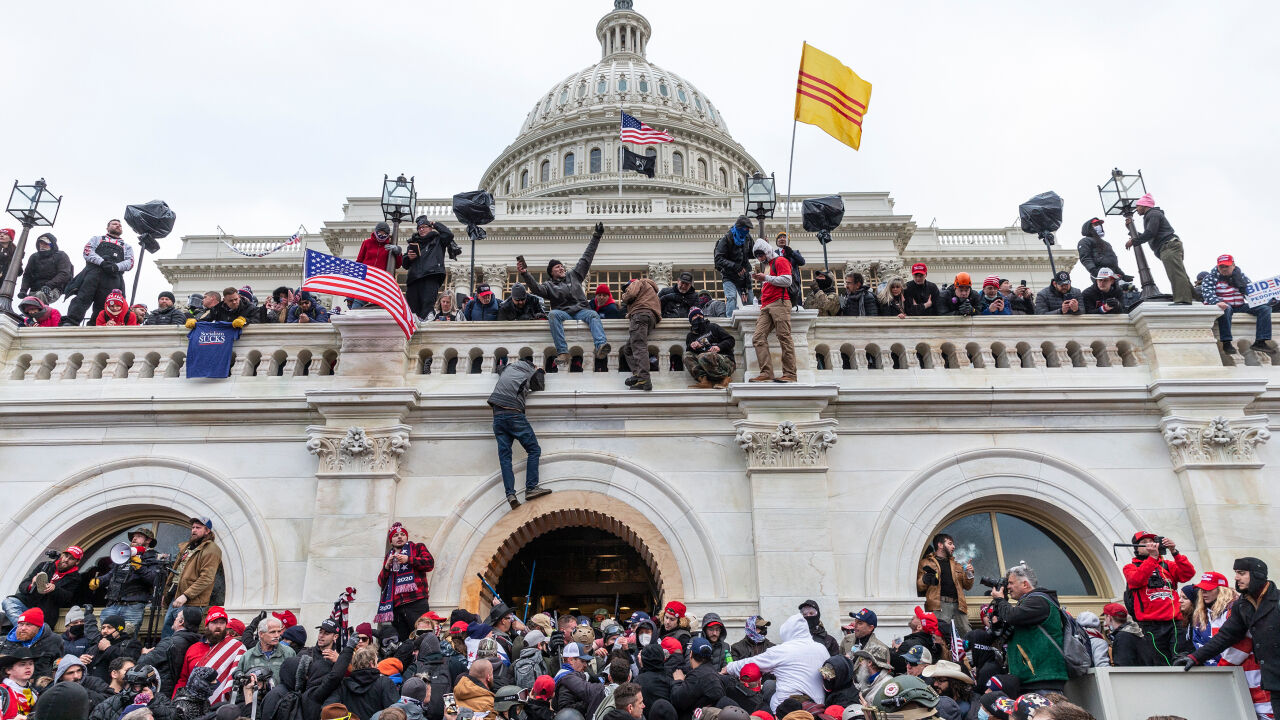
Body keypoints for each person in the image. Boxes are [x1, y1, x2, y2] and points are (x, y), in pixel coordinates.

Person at [1179, 558, 1280, 713]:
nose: (1236, 578)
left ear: (1257, 575)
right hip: (1273, 682)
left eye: (1241, 573)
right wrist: (1195, 657)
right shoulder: (1243, 604)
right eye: (1236, 573)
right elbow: (1226, 636)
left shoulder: (1277, 600)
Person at [518, 223, 610, 367]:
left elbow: (587, 257)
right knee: (553, 314)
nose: (561, 268)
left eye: (561, 266)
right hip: (564, 313)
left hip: (581, 311)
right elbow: (536, 289)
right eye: (557, 267)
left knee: (593, 315)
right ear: (551, 272)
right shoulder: (549, 286)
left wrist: (596, 236)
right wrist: (525, 274)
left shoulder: (574, 275)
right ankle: (562, 351)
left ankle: (601, 345)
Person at [723, 614, 828, 714]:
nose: (763, 631)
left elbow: (751, 664)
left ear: (787, 631)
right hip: (818, 705)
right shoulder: (821, 648)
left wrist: (728, 668)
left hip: (786, 708)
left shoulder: (782, 650)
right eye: (760, 627)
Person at [989, 563, 1066, 694]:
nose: (1007, 587)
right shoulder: (1026, 604)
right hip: (1030, 679)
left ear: (1025, 584)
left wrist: (1001, 600)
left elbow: (1012, 616)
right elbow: (1002, 632)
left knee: (1046, 714)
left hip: (1043, 679)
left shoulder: (1039, 600)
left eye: (1011, 583)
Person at [1122, 531, 1195, 666]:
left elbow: (1188, 574)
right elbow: (1136, 580)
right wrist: (1152, 558)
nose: (1149, 544)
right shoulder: (1130, 567)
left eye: (1151, 541)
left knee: (1181, 658)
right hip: (1151, 625)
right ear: (1136, 548)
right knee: (1162, 661)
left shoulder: (1167, 565)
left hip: (1174, 622)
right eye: (1144, 543)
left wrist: (1174, 551)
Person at [487, 357, 551, 508]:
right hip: (514, 413)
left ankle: (510, 494)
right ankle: (531, 488)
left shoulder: (508, 368)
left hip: (497, 415)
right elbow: (539, 386)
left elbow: (499, 369)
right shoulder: (529, 370)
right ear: (531, 365)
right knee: (534, 449)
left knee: (505, 457)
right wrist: (540, 371)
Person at [62, 219, 136, 326]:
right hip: (93, 274)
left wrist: (116, 266)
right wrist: (102, 262)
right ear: (107, 227)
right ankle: (71, 321)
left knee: (105, 303)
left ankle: (96, 324)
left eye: (120, 225)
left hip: (113, 277)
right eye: (114, 224)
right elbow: (87, 251)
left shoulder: (126, 246)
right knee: (82, 298)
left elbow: (130, 262)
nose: (118, 226)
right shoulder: (97, 239)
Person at [1125, 194, 1195, 304]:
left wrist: (1133, 241)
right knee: (1179, 273)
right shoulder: (1153, 215)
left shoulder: (1152, 214)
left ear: (1144, 205)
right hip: (1169, 246)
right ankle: (1194, 298)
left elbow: (1150, 233)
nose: (1136, 209)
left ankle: (1183, 300)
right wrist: (1131, 229)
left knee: (1176, 273)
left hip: (1168, 246)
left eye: (1137, 206)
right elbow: (1151, 235)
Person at [161, 518, 222, 640]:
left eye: (198, 528)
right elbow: (176, 573)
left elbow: (206, 578)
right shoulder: (187, 547)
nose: (194, 530)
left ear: (207, 531)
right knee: (167, 635)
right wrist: (166, 593)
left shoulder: (211, 549)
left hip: (192, 602)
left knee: (182, 638)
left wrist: (186, 596)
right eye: (193, 527)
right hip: (175, 597)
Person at [376, 523, 437, 642]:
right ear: (391, 541)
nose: (399, 537)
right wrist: (387, 567)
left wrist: (409, 559)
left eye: (402, 534)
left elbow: (429, 563)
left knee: (422, 637)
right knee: (404, 641)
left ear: (406, 537)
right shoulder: (389, 556)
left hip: (416, 602)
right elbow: (381, 583)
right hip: (397, 607)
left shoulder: (417, 548)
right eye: (396, 535)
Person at [1202, 254, 1272, 353]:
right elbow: (1207, 293)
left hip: (1240, 305)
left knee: (1265, 308)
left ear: (1233, 265)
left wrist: (1266, 300)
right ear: (1218, 267)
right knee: (1226, 309)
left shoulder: (1242, 277)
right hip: (1223, 306)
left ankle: (1260, 342)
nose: (1224, 269)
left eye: (1227, 266)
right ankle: (1226, 343)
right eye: (1221, 266)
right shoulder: (1210, 278)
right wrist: (1217, 302)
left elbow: (1251, 294)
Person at [97, 526, 163, 632]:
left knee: (127, 637)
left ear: (148, 540)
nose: (134, 538)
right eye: (133, 536)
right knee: (106, 635)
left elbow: (154, 579)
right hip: (113, 604)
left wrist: (140, 567)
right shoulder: (124, 554)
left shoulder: (153, 557)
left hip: (133, 606)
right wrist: (99, 580)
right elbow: (112, 574)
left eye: (139, 536)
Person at [748, 239, 796, 384]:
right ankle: (766, 373)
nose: (759, 258)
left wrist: (765, 278)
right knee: (758, 337)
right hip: (767, 305)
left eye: (761, 254)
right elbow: (773, 280)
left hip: (779, 302)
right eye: (757, 256)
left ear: (767, 251)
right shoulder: (769, 265)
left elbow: (787, 280)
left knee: (784, 337)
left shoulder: (780, 261)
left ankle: (790, 374)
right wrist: (763, 278)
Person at [4, 546, 83, 631]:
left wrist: (55, 589)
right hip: (28, 602)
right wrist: (32, 584)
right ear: (62, 556)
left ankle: (27, 631)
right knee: (8, 601)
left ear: (77, 562)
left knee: (41, 626)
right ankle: (24, 630)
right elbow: (23, 585)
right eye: (65, 556)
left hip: (45, 611)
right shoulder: (45, 565)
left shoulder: (75, 578)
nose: (66, 560)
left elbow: (67, 598)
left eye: (71, 559)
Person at [403, 215, 460, 320]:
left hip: (431, 275)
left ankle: (426, 323)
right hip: (414, 278)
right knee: (412, 308)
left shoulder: (438, 239)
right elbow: (404, 264)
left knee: (427, 305)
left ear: (430, 228)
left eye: (424, 227)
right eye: (419, 228)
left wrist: (435, 224)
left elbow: (448, 234)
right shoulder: (413, 243)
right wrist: (408, 257)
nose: (422, 229)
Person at [917, 534, 974, 635]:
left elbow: (967, 586)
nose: (954, 547)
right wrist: (925, 579)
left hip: (958, 605)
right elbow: (919, 586)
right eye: (950, 543)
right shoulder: (925, 563)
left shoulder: (957, 564)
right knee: (939, 636)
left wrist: (969, 573)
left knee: (966, 635)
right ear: (940, 545)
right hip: (939, 605)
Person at [327, 645, 400, 720]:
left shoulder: (343, 684)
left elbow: (329, 709)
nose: (378, 665)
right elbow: (395, 714)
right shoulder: (384, 682)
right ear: (372, 664)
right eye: (376, 662)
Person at [621, 277, 662, 392]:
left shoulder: (638, 282)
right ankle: (639, 376)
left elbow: (631, 294)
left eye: (626, 288)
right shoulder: (651, 290)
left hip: (640, 315)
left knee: (639, 346)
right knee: (628, 349)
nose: (626, 290)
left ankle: (644, 378)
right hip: (649, 318)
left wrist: (624, 297)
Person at [1187, 571, 1236, 664]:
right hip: (1213, 671)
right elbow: (1198, 643)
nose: (1204, 593)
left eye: (1208, 589)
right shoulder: (1200, 615)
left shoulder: (1234, 610)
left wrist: (1223, 667)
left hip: (1239, 669)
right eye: (1202, 589)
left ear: (1222, 590)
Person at [670, 638, 723, 719]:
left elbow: (677, 700)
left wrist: (678, 681)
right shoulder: (713, 671)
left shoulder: (697, 677)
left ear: (691, 654)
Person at [684, 308, 735, 389]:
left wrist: (719, 347)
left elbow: (731, 340)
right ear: (691, 320)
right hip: (706, 366)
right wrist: (693, 346)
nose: (698, 317)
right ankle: (704, 381)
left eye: (700, 315)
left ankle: (725, 379)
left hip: (725, 362)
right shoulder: (690, 336)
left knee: (704, 356)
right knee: (687, 356)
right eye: (695, 315)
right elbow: (690, 355)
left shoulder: (713, 327)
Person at [714, 217, 755, 318]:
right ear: (740, 227)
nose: (747, 231)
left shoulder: (747, 238)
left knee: (749, 299)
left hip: (743, 276)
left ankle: (751, 321)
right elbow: (718, 258)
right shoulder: (726, 239)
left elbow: (753, 253)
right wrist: (735, 266)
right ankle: (730, 321)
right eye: (746, 228)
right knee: (731, 297)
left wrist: (761, 246)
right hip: (729, 275)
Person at [18, 233, 73, 305]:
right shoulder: (34, 257)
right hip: (35, 289)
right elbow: (27, 275)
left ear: (52, 245)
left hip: (54, 288)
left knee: (40, 297)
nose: (42, 245)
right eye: (41, 243)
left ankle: (42, 314)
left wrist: (48, 285)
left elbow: (64, 274)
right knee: (26, 305)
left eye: (46, 243)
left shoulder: (61, 255)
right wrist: (23, 290)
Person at [554, 644, 606, 717]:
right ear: (571, 660)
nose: (585, 665)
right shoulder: (565, 678)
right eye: (582, 661)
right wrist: (590, 701)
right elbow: (565, 710)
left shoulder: (571, 675)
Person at [1077, 218, 1131, 282]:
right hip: (1099, 274)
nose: (1099, 226)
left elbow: (1113, 264)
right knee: (1104, 289)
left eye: (1099, 224)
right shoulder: (1085, 241)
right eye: (1095, 224)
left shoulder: (1106, 244)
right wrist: (1093, 270)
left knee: (1115, 290)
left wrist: (1123, 276)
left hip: (1111, 275)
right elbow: (1085, 258)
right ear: (1089, 227)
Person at [356, 221, 403, 289]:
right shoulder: (367, 243)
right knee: (359, 299)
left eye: (384, 234)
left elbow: (398, 265)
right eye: (380, 233)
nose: (382, 235)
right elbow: (359, 261)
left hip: (380, 280)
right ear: (375, 231)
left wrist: (398, 252)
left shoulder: (389, 247)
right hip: (365, 277)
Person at [184, 287, 254, 329]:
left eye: (236, 299)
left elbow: (257, 319)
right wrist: (195, 321)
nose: (234, 302)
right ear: (224, 300)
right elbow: (206, 319)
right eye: (231, 300)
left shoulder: (249, 307)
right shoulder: (217, 309)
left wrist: (245, 320)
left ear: (239, 297)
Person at [1, 648, 38, 720]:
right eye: (22, 664)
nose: (28, 667)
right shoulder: (2, 692)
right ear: (8, 670)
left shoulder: (34, 693)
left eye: (31, 663)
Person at [773, 232, 805, 307]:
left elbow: (802, 262)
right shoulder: (773, 254)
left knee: (795, 305)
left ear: (788, 241)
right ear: (777, 242)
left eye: (784, 237)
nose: (782, 239)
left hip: (793, 284)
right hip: (779, 282)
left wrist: (791, 253)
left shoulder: (795, 252)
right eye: (780, 237)